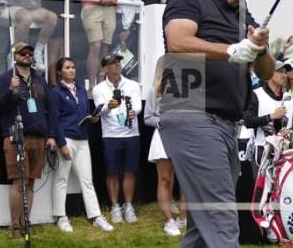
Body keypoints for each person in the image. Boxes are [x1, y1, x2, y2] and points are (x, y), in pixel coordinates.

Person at [160, 0, 274, 248]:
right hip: (191, 113)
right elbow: (178, 40)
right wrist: (233, 50)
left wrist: (259, 47)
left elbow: (266, 72)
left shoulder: (245, 19)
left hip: (225, 125)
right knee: (223, 215)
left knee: (203, 225)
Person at [0, 42, 56, 235]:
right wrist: (10, 90)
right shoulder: (5, 79)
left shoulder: (39, 80)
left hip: (39, 138)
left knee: (31, 182)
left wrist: (51, 135)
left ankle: (26, 222)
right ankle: (14, 225)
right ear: (14, 56)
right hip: (15, 137)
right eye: (22, 53)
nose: (27, 55)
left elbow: (50, 109)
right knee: (19, 182)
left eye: (30, 52)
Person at [48, 57, 113, 233]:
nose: (72, 70)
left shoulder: (81, 89)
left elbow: (83, 113)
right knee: (61, 179)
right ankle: (61, 217)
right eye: (68, 67)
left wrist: (93, 118)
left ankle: (95, 215)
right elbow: (54, 120)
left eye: (74, 67)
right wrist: (61, 144)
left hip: (82, 138)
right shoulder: (55, 92)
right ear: (60, 71)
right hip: (66, 138)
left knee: (87, 179)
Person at [92, 54, 142, 225]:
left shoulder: (132, 85)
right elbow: (99, 111)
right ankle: (115, 206)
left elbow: (138, 105)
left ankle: (128, 206)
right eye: (113, 63)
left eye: (118, 62)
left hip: (131, 133)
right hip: (111, 134)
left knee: (130, 170)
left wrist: (134, 111)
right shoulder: (99, 89)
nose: (117, 66)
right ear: (105, 68)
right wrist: (108, 106)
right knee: (112, 171)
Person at [144, 58, 188, 237]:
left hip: (183, 138)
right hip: (162, 137)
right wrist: (164, 121)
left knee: (185, 181)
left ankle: (184, 218)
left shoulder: (187, 89)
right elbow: (147, 118)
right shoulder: (153, 91)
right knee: (165, 180)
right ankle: (169, 221)